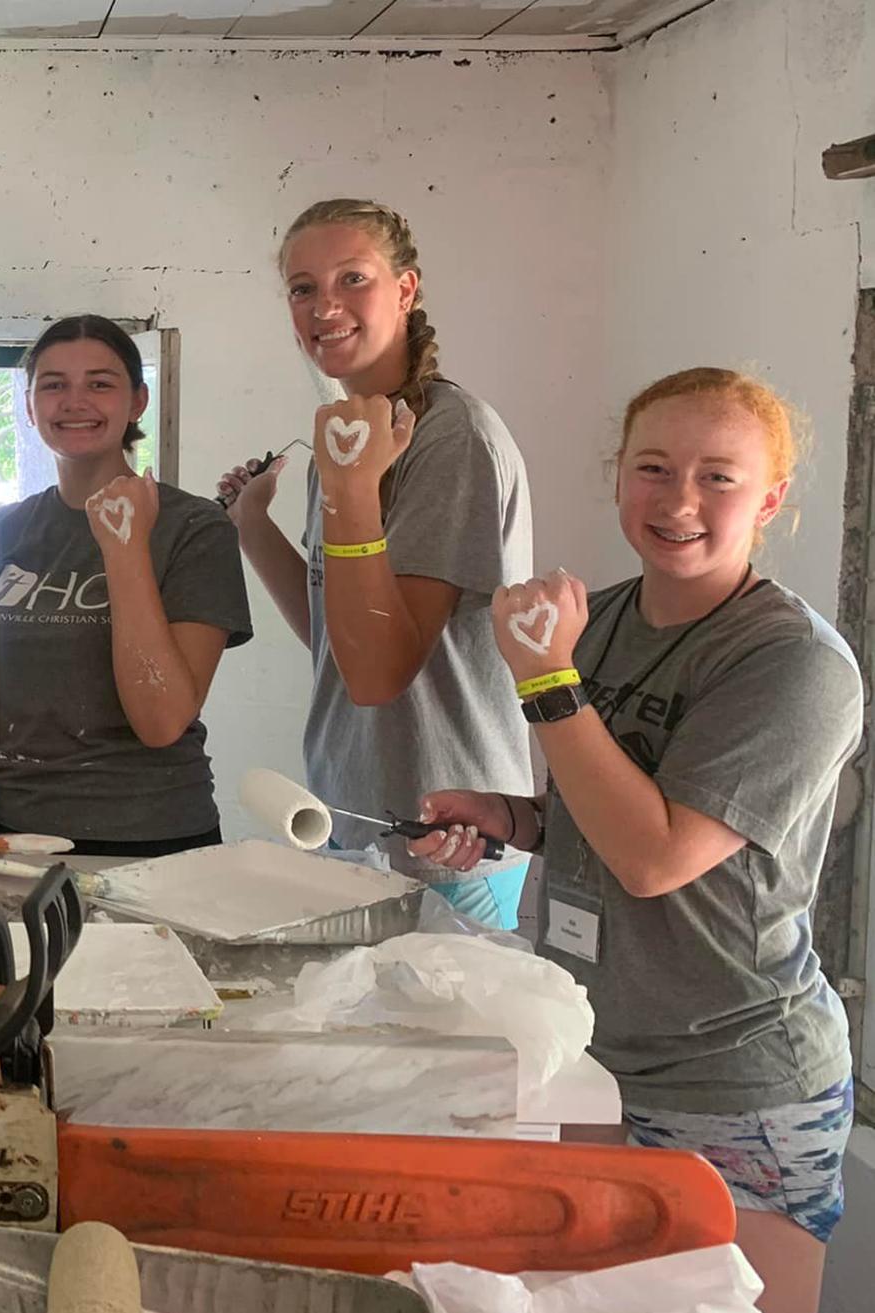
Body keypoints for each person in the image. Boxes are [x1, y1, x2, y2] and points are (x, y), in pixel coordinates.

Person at [411, 369, 857, 1313]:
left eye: (718, 476)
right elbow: (596, 807)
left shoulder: (795, 663)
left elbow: (656, 858)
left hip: (733, 1076)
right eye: (653, 467)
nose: (680, 500)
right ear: (619, 478)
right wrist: (510, 818)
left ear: (771, 496)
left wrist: (545, 682)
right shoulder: (598, 622)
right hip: (595, 1045)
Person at [218, 198, 534, 928]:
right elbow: (342, 638)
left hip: (449, 837)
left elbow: (378, 671)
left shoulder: (450, 437)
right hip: (360, 823)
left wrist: (350, 487)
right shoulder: (346, 444)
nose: (324, 305)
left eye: (352, 278)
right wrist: (253, 527)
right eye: (302, 288)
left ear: (406, 289)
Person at [0, 315, 250, 855]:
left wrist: (125, 549)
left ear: (138, 401)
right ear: (30, 406)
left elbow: (163, 719)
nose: (75, 402)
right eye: (54, 385)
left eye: (100, 384)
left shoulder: (193, 528)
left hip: (156, 840)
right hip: (11, 837)